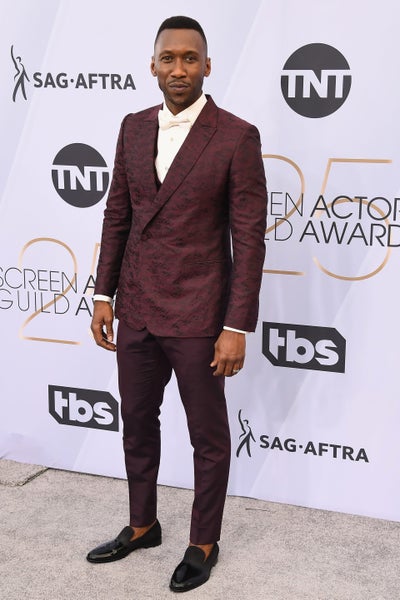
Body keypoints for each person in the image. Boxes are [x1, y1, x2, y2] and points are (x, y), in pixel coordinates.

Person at [87, 15, 267, 593]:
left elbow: (249, 239)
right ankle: (143, 524)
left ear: (207, 65)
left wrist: (236, 325)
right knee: (137, 423)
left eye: (191, 58)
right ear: (153, 66)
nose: (179, 68)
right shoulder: (133, 127)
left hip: (199, 314)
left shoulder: (236, 136)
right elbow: (118, 214)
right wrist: (103, 293)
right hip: (137, 307)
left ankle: (203, 542)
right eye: (169, 58)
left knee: (207, 437)